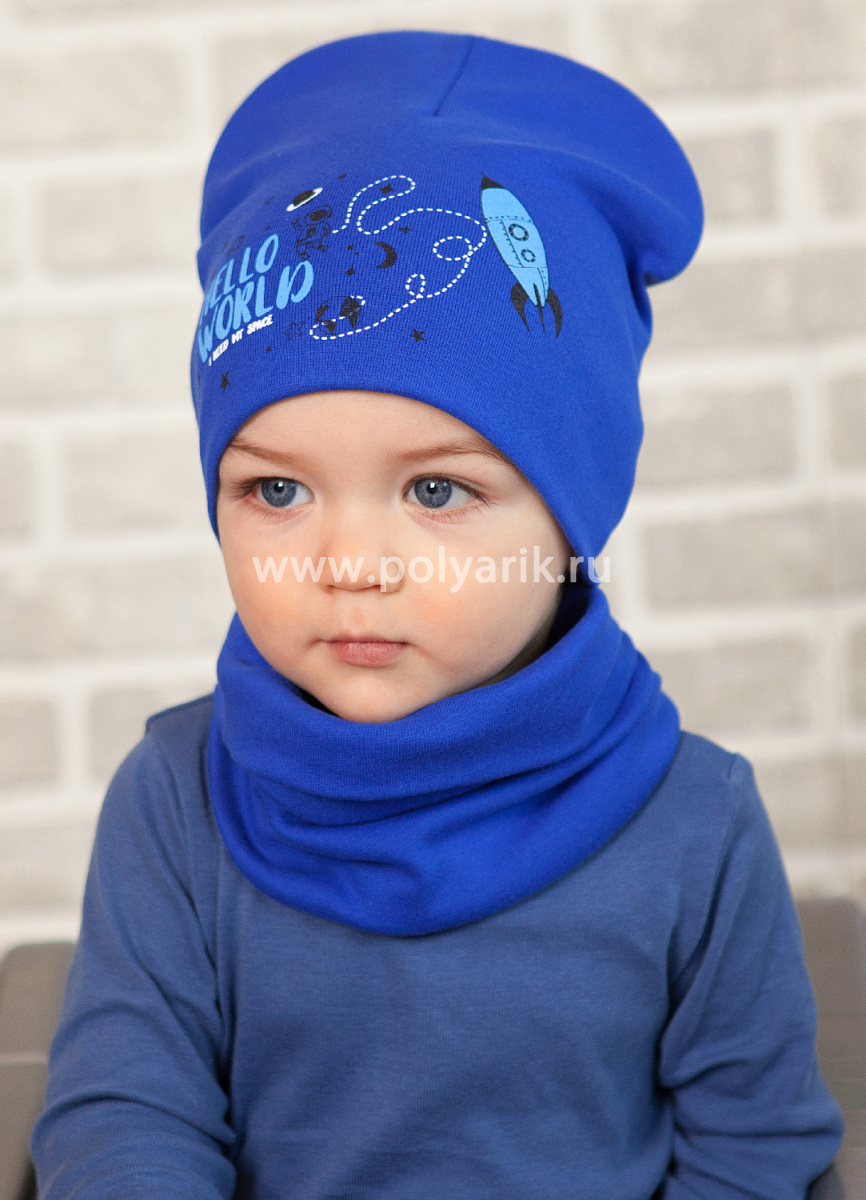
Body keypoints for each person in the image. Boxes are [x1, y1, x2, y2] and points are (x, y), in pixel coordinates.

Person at [31, 30, 843, 1200]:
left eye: (435, 492)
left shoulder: (692, 823)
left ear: (572, 511)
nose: (349, 565)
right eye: (276, 491)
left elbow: (751, 1146)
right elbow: (124, 1117)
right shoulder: (175, 801)